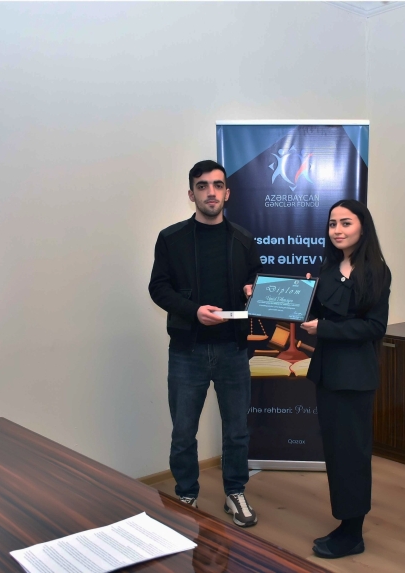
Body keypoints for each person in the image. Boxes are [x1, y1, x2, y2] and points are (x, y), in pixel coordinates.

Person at [148, 160, 262, 527]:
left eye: (217, 185)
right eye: (202, 186)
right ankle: (186, 495)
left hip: (233, 350)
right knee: (184, 432)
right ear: (191, 194)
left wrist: (253, 292)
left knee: (237, 431)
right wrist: (193, 311)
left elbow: (256, 283)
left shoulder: (244, 239)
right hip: (188, 351)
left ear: (227, 193)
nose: (210, 192)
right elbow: (158, 287)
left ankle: (235, 492)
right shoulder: (171, 238)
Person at [300, 199, 390, 559]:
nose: (337, 230)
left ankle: (353, 534)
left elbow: (374, 327)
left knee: (352, 454)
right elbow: (317, 314)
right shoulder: (328, 268)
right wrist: (293, 297)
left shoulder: (376, 271)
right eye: (332, 224)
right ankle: (345, 524)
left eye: (346, 223)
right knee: (337, 454)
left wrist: (325, 328)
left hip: (354, 377)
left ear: (362, 226)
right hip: (328, 374)